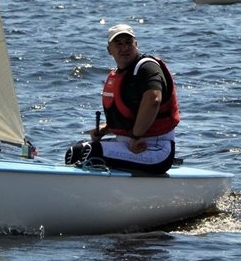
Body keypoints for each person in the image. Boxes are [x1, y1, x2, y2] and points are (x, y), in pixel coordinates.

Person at [64, 24, 180, 175]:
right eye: (118, 44)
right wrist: (106, 129)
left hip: (155, 148)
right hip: (127, 143)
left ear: (136, 44)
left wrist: (136, 136)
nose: (124, 48)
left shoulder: (147, 68)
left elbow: (153, 99)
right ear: (109, 50)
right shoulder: (119, 74)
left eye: (128, 43)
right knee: (75, 151)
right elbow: (129, 117)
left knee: (89, 152)